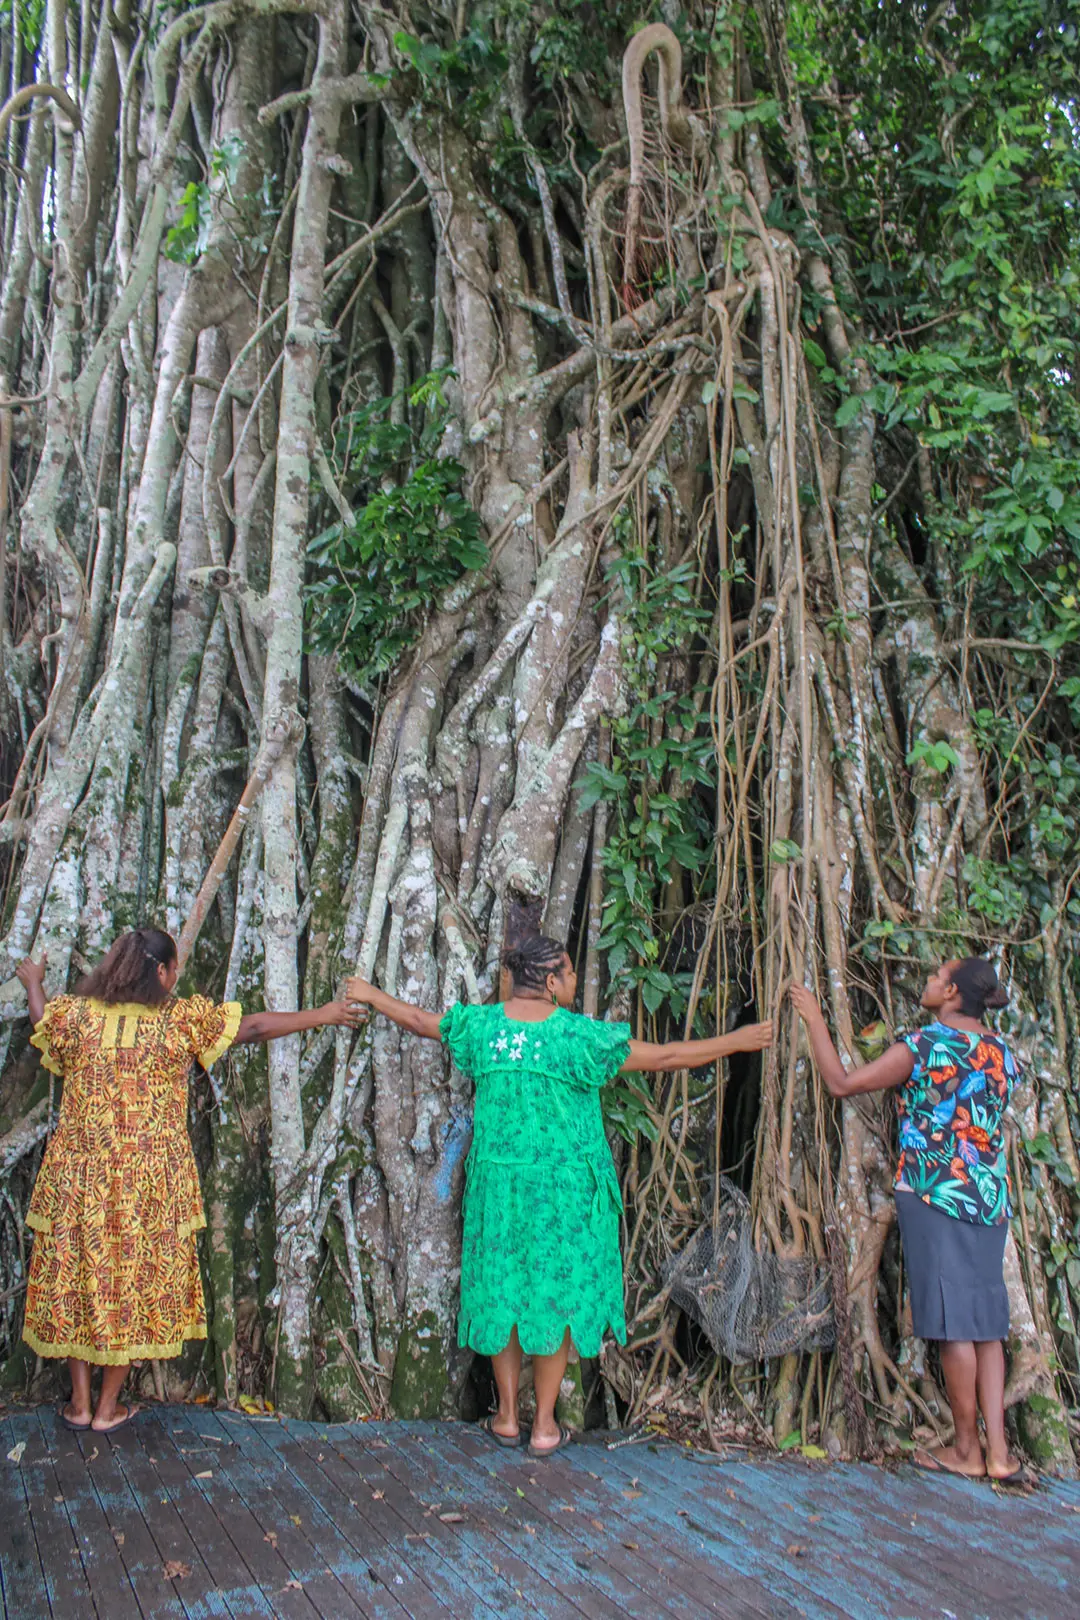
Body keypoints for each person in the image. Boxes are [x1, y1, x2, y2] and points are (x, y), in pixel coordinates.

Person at [347, 934, 772, 1457]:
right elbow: (667, 1057)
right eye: (569, 975)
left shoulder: (483, 1028)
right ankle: (544, 1426)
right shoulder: (576, 1038)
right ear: (550, 982)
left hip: (498, 1192)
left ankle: (506, 1415)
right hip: (563, 1197)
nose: (572, 983)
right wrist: (737, 1041)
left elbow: (417, 1021)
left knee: (502, 1292)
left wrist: (371, 994)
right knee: (555, 1300)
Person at [16, 929, 361, 1434]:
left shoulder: (78, 1017)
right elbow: (254, 1029)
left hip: (79, 1179)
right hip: (149, 1186)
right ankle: (108, 1409)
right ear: (160, 972)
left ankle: (80, 1405)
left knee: (77, 1281)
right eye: (174, 969)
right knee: (133, 1286)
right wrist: (325, 1014)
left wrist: (33, 982)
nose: (177, 978)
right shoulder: (177, 1022)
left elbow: (41, 1018)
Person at [789, 958, 1023, 1482]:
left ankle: (966, 1450)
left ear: (952, 993)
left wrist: (815, 1020)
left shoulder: (924, 1046)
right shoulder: (1005, 1053)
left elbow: (842, 1084)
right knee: (986, 1324)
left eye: (938, 977)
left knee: (952, 1324)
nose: (929, 982)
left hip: (933, 1191)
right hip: (988, 1196)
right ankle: (1000, 1452)